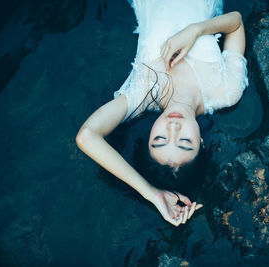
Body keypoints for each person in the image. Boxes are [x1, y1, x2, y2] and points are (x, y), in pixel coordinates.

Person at [76, 0, 248, 226]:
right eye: (185, 141)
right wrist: (195, 31)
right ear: (202, 143)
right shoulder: (226, 92)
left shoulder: (142, 93)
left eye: (160, 139)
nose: (173, 128)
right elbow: (235, 22)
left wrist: (151, 193)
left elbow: (86, 136)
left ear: (149, 136)